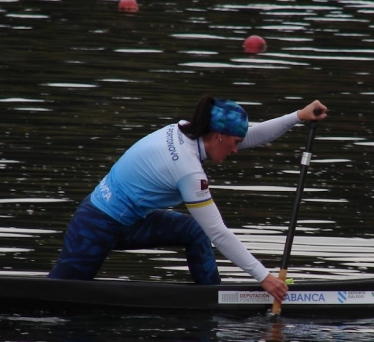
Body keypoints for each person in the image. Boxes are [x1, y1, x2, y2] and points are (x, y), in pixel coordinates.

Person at [48, 96, 328, 303]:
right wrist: (263, 277)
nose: (237, 149)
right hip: (95, 224)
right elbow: (218, 233)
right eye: (234, 143)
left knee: (193, 232)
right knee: (58, 297)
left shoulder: (185, 129)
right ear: (218, 136)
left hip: (130, 220)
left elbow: (248, 136)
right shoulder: (188, 170)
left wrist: (297, 117)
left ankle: (210, 298)